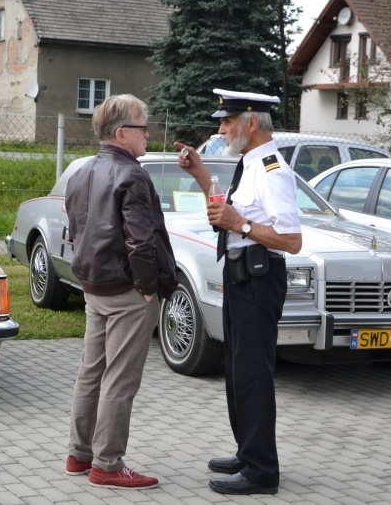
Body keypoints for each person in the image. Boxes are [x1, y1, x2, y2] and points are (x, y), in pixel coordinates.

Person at [176, 89, 302, 495]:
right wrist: (200, 174)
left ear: (251, 123)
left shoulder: (271, 170)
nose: (221, 130)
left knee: (252, 373)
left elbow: (291, 240)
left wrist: (241, 225)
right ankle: (248, 453)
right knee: (237, 370)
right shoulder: (249, 164)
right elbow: (226, 211)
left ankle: (262, 471)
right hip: (240, 274)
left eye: (227, 121)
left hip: (259, 278)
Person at [63, 94, 178, 490]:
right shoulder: (132, 175)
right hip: (129, 291)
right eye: (142, 127)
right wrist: (147, 287)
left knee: (91, 371)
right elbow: (141, 241)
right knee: (120, 379)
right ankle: (108, 464)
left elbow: (77, 231)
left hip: (94, 287)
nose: (148, 134)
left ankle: (79, 455)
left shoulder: (81, 172)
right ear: (121, 133)